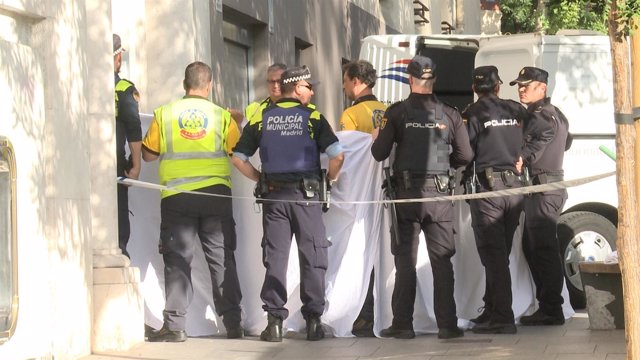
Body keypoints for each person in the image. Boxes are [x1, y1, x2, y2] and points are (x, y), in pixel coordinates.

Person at [232, 65, 344, 342]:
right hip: (307, 199)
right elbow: (337, 155)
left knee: (275, 259)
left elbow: (238, 158)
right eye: (308, 86)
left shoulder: (262, 118)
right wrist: (329, 179)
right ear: (296, 88)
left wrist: (260, 178)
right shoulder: (313, 117)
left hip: (273, 199)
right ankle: (314, 322)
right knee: (313, 257)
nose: (312, 90)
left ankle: (274, 324)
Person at [371, 55, 473, 339]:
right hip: (439, 196)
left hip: (406, 197)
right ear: (435, 80)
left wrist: (379, 133)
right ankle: (447, 325)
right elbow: (465, 155)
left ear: (409, 79)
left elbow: (379, 153)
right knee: (442, 261)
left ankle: (403, 324)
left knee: (406, 261)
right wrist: (443, 165)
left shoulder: (397, 112)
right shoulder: (449, 113)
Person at [142, 61, 244, 342]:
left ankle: (175, 327)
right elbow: (239, 151)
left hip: (178, 198)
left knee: (177, 260)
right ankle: (233, 324)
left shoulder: (165, 114)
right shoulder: (221, 116)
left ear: (184, 84)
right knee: (222, 259)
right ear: (209, 85)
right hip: (215, 197)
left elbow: (148, 155)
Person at [462, 66, 527, 334]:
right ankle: (491, 309)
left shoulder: (472, 113)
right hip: (516, 189)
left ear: (474, 89)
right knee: (499, 253)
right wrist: (527, 154)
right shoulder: (516, 109)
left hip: (489, 191)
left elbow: (465, 153)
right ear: (498, 86)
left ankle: (502, 317)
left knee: (494, 256)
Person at [510, 66, 571, 326]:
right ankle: (548, 305)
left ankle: (552, 309)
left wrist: (524, 155)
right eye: (519, 85)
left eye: (527, 85)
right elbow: (567, 141)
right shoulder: (555, 113)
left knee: (543, 250)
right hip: (545, 188)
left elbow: (542, 139)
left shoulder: (541, 116)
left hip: (544, 189)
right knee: (533, 247)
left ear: (542, 88)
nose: (521, 89)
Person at [339, 60, 386, 337]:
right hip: (386, 191)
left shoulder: (351, 114)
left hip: (359, 194)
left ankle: (363, 314)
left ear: (356, 80)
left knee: (358, 252)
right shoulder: (387, 110)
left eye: (345, 80)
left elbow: (344, 156)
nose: (344, 85)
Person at [113, 33, 142, 258]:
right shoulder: (124, 88)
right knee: (117, 225)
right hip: (114, 165)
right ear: (117, 58)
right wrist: (136, 165)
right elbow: (133, 126)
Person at [227, 63, 288, 129]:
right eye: (272, 81)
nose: (275, 86)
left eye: (279, 81)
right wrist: (241, 121)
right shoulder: (254, 108)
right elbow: (247, 135)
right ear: (267, 83)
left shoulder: (297, 108)